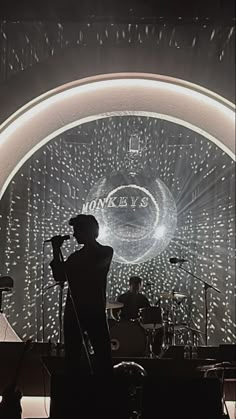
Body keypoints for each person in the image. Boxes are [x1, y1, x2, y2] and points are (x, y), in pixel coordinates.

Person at [49, 214, 114, 379]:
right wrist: (56, 251)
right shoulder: (75, 258)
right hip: (75, 311)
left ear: (88, 231)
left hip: (93, 310)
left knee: (102, 356)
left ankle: (104, 394)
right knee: (72, 356)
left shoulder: (105, 251)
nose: (74, 235)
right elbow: (59, 275)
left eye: (77, 230)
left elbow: (90, 263)